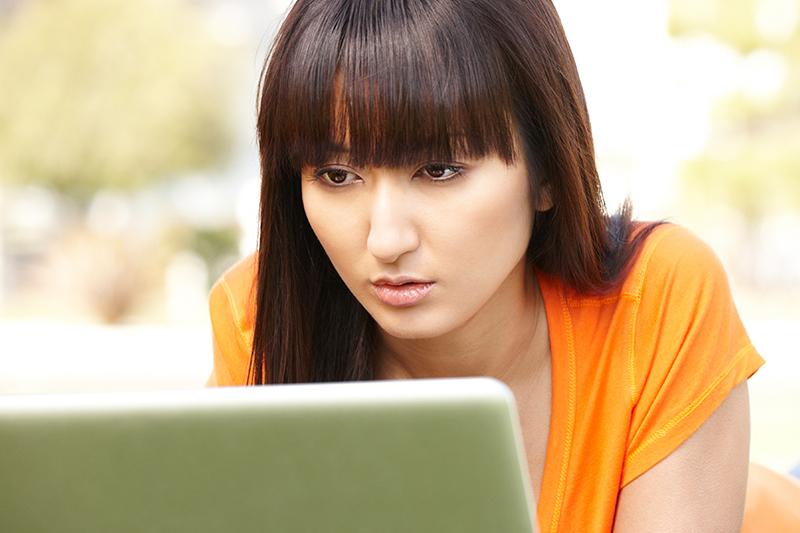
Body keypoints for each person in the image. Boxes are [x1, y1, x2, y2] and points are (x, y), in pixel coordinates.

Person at [207, 0, 766, 531]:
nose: (385, 240)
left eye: (440, 170)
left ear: (546, 172)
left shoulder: (656, 300)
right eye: (336, 175)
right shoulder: (264, 321)